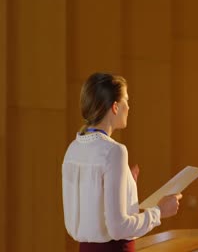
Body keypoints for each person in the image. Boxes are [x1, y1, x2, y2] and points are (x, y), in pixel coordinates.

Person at [62, 72, 182, 252]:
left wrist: (127, 185)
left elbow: (93, 205)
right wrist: (159, 212)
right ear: (115, 107)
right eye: (126, 100)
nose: (129, 106)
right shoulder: (114, 151)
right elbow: (118, 228)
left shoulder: (73, 148)